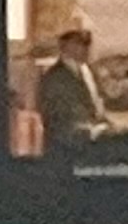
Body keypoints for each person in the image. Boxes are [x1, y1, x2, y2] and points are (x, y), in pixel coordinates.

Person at [34, 20, 114, 153]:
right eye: (78, 43)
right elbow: (57, 118)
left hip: (91, 144)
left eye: (87, 43)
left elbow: (99, 100)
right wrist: (90, 130)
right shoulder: (55, 78)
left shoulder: (87, 71)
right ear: (64, 45)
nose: (84, 48)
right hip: (66, 148)